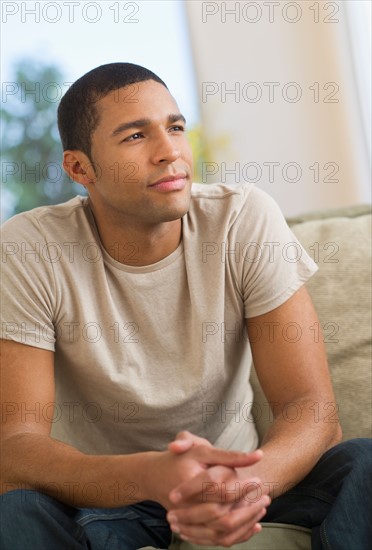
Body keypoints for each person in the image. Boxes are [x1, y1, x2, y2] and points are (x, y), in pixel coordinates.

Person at [0, 62, 370, 550]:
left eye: (175, 128)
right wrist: (149, 476)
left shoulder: (242, 219)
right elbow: (15, 447)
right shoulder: (30, 247)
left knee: (364, 461)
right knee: (14, 509)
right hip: (106, 503)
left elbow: (313, 411)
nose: (169, 152)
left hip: (243, 483)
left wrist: (242, 487)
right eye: (135, 136)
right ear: (79, 168)